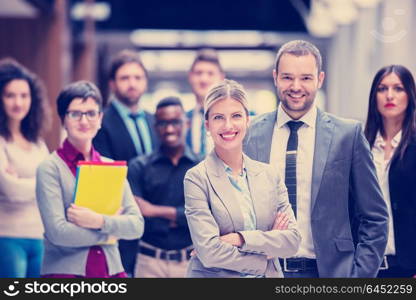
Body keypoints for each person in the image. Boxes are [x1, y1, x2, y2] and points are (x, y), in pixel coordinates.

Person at [243, 40, 388, 277]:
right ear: (275, 77)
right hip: (263, 271)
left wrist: (359, 277)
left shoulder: (348, 135)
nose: (296, 86)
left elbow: (375, 218)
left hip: (327, 273)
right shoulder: (250, 133)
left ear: (320, 79)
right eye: (288, 77)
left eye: (306, 78)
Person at [184, 79, 300, 278]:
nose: (228, 125)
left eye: (236, 115)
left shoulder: (269, 175)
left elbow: (292, 241)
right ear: (207, 125)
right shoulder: (196, 178)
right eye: (219, 117)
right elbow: (210, 253)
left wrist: (240, 239)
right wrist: (266, 253)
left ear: (248, 120)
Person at [36, 81, 144, 278]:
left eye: (91, 113)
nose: (84, 121)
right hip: (66, 275)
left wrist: (98, 220)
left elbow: (136, 225)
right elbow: (58, 233)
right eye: (75, 114)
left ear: (100, 118)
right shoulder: (50, 168)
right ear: (63, 120)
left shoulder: (111, 166)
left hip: (110, 271)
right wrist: (112, 232)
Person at [93, 49, 159, 275]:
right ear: (112, 83)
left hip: (153, 227)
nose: (132, 83)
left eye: (137, 78)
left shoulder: (155, 121)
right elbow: (104, 172)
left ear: (145, 82)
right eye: (125, 78)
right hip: (120, 218)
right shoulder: (100, 121)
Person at [128, 96, 200, 277]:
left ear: (187, 123)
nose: (169, 129)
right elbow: (136, 214)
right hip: (148, 263)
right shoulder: (138, 167)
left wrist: (154, 210)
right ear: (155, 127)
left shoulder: (202, 167)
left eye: (175, 122)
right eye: (162, 124)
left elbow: (202, 215)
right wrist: (180, 214)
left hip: (191, 262)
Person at [364, 65, 416, 278]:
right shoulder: (361, 146)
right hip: (367, 268)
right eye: (382, 89)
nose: (389, 95)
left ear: (410, 95)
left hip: (408, 269)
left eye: (398, 88)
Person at [0, 58, 50, 278]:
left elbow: (53, 186)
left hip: (39, 236)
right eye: (10, 95)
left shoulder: (38, 143)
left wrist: (24, 182)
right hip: (7, 236)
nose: (18, 103)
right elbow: (11, 189)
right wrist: (43, 183)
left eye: (24, 95)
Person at [186, 49, 225, 157]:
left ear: (221, 78)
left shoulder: (239, 119)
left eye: (210, 73)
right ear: (190, 77)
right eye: (199, 73)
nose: (204, 79)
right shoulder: (182, 120)